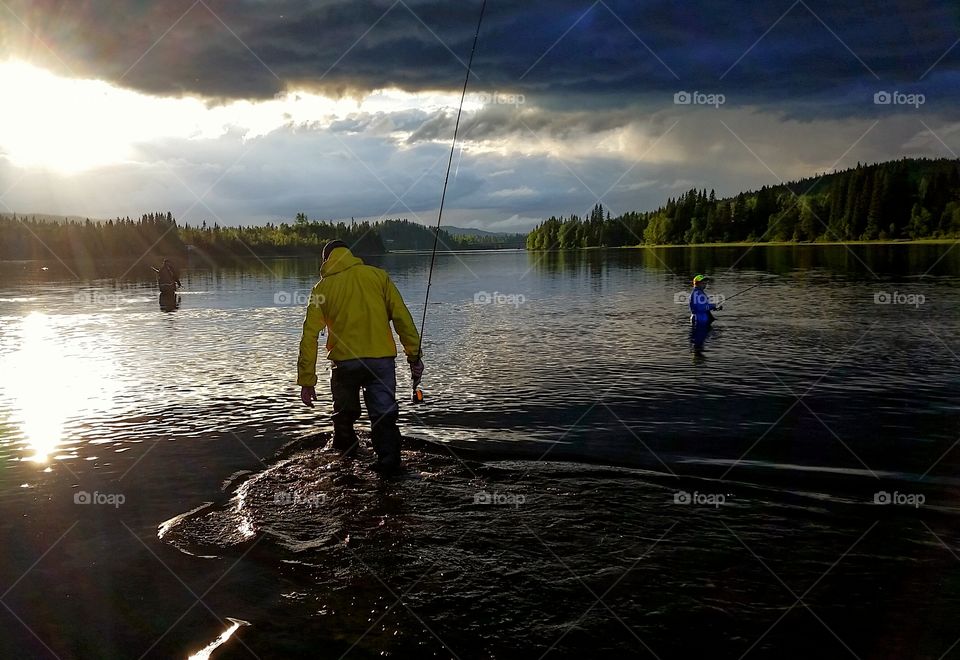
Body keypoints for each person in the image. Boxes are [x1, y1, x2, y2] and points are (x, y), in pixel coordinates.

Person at [297, 240, 424, 474]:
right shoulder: (378, 277)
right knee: (383, 416)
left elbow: (309, 336)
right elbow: (402, 318)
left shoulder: (321, 289)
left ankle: (345, 467)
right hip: (381, 362)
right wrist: (414, 356)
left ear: (326, 260)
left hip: (345, 364)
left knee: (343, 416)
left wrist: (307, 380)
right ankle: (389, 466)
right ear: (349, 254)